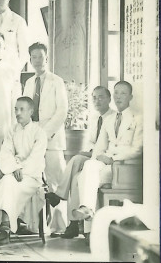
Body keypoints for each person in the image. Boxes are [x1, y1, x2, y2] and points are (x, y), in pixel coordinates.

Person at [69, 81, 143, 226]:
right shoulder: (108, 120)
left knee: (84, 176)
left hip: (123, 166)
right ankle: (87, 210)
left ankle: (89, 221)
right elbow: (99, 147)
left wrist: (113, 158)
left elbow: (137, 150)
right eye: (116, 92)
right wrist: (96, 158)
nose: (118, 96)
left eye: (123, 93)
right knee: (89, 166)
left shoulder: (137, 118)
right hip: (107, 166)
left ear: (130, 97)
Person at [47, 86, 115, 239]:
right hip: (94, 156)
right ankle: (72, 222)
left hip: (105, 160)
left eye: (101, 97)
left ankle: (62, 202)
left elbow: (110, 144)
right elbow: (91, 142)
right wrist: (90, 152)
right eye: (94, 97)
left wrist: (93, 153)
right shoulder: (94, 118)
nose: (97, 100)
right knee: (76, 166)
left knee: (77, 166)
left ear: (109, 99)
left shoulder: (113, 118)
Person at [0, 97, 47, 245]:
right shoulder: (12, 130)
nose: (18, 113)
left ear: (31, 111)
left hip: (32, 176)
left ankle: (5, 228)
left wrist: (21, 168)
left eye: (22, 109)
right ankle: (6, 227)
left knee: (7, 183)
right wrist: (15, 168)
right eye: (16, 109)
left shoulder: (39, 132)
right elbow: (6, 153)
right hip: (14, 172)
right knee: (7, 181)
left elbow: (36, 158)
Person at [22, 42, 68, 232]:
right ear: (30, 60)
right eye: (34, 57)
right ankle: (34, 225)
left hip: (52, 140)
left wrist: (45, 134)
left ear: (46, 58)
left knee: (56, 181)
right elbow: (25, 110)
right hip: (33, 139)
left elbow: (62, 111)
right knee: (33, 181)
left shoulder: (56, 81)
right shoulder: (29, 83)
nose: (37, 60)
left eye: (40, 56)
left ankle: (61, 225)